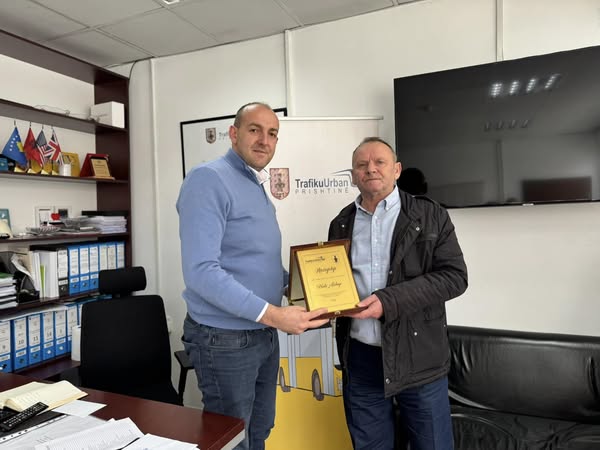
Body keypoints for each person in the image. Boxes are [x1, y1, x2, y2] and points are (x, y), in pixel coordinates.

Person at [177, 102, 329, 450]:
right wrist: (275, 315)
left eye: (272, 133)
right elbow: (201, 272)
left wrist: (303, 287)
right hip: (224, 339)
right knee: (233, 441)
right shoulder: (208, 179)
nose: (264, 140)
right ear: (233, 134)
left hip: (262, 334)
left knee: (260, 430)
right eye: (254, 130)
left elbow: (258, 261)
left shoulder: (253, 182)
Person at [328, 137, 468, 450]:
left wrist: (389, 301)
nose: (370, 169)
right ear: (353, 175)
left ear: (397, 170)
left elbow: (455, 278)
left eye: (379, 162)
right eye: (361, 165)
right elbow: (333, 283)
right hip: (361, 359)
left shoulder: (430, 215)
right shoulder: (341, 223)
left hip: (418, 357)